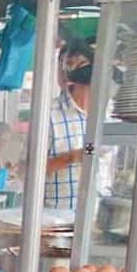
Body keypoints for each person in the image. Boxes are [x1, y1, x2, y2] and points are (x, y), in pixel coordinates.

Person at [45, 43, 93, 210]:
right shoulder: (48, 113)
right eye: (68, 64)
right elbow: (25, 170)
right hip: (55, 215)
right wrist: (72, 157)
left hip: (93, 215)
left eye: (82, 64)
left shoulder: (106, 113)